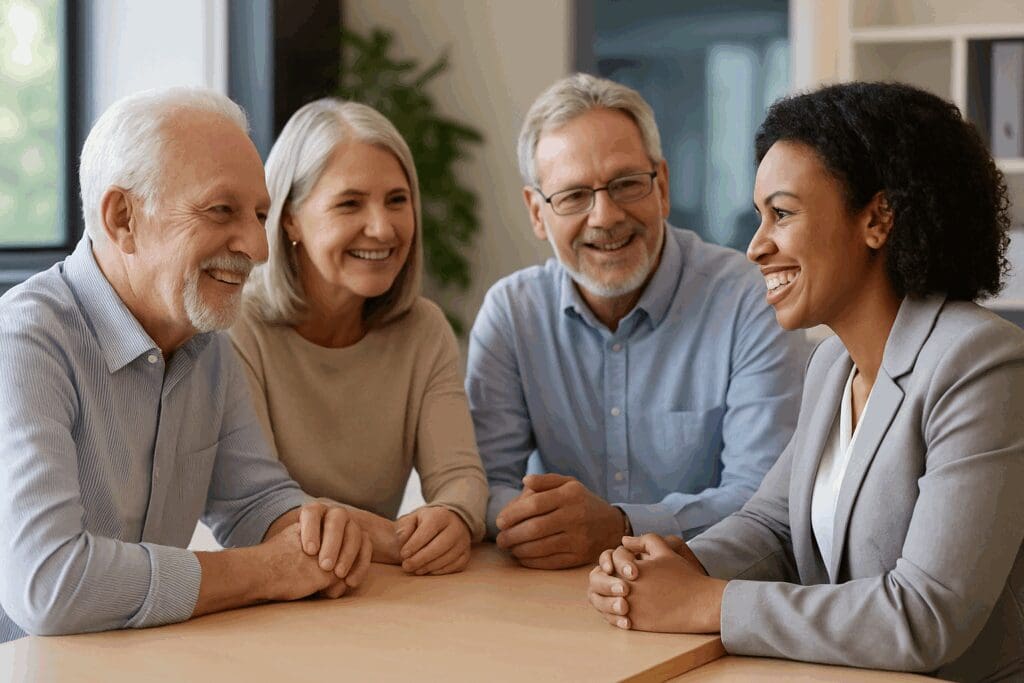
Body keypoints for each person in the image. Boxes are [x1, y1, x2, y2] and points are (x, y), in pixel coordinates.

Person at [588, 81, 1024, 682]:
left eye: (782, 214)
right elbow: (773, 527)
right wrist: (671, 564)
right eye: (760, 215)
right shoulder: (831, 365)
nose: (755, 246)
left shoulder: (979, 362)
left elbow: (928, 615)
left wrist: (704, 601)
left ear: (877, 218)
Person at [0, 87, 373, 643]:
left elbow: (255, 500)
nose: (258, 246)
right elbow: (51, 586)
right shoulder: (22, 341)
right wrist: (269, 570)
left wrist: (314, 530)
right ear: (123, 217)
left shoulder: (207, 342)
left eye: (260, 214)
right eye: (221, 209)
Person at [465, 73, 808, 569]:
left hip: (704, 592)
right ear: (537, 213)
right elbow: (483, 486)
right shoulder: (512, 315)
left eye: (626, 184)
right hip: (548, 595)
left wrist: (621, 524)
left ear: (662, 187)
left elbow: (764, 504)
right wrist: (537, 522)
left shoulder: (750, 302)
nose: (604, 216)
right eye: (573, 196)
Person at [232, 99, 487, 576]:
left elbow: (460, 478)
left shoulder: (424, 330)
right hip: (275, 597)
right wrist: (395, 540)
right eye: (350, 203)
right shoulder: (239, 330)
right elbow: (262, 506)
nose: (382, 228)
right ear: (289, 218)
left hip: (378, 591)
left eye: (397, 200)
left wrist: (452, 516)